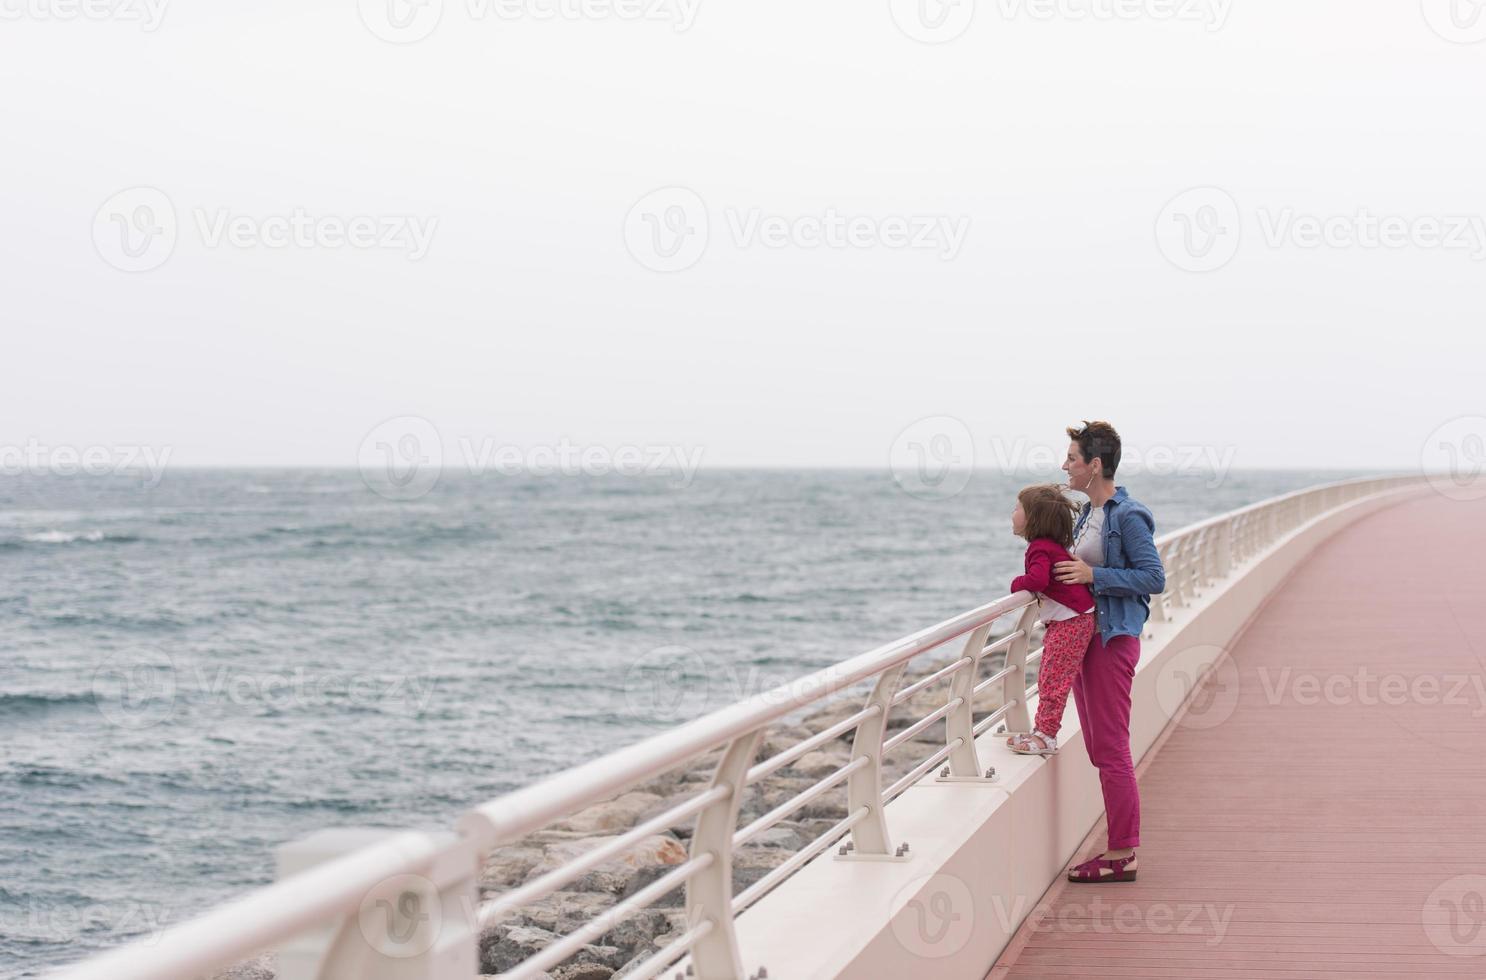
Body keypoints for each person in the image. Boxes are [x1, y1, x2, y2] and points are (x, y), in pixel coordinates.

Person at [1053, 420, 1165, 884]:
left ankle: (1123, 854)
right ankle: (1120, 849)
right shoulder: (1086, 513)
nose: (1065, 465)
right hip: (1086, 641)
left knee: (1113, 748)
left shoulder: (1127, 514)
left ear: (1094, 465)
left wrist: (1093, 578)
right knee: (1100, 747)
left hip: (1113, 640)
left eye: (1072, 458)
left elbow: (1153, 578)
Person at [1004, 485, 1096, 757]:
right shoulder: (1049, 546)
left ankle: (1047, 735)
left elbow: (1037, 580)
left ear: (1033, 518)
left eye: (1017, 508)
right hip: (1074, 619)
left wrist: (1016, 584)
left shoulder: (1039, 548)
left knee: (1052, 679)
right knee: (1050, 676)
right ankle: (1042, 730)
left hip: (1071, 621)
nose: (1012, 513)